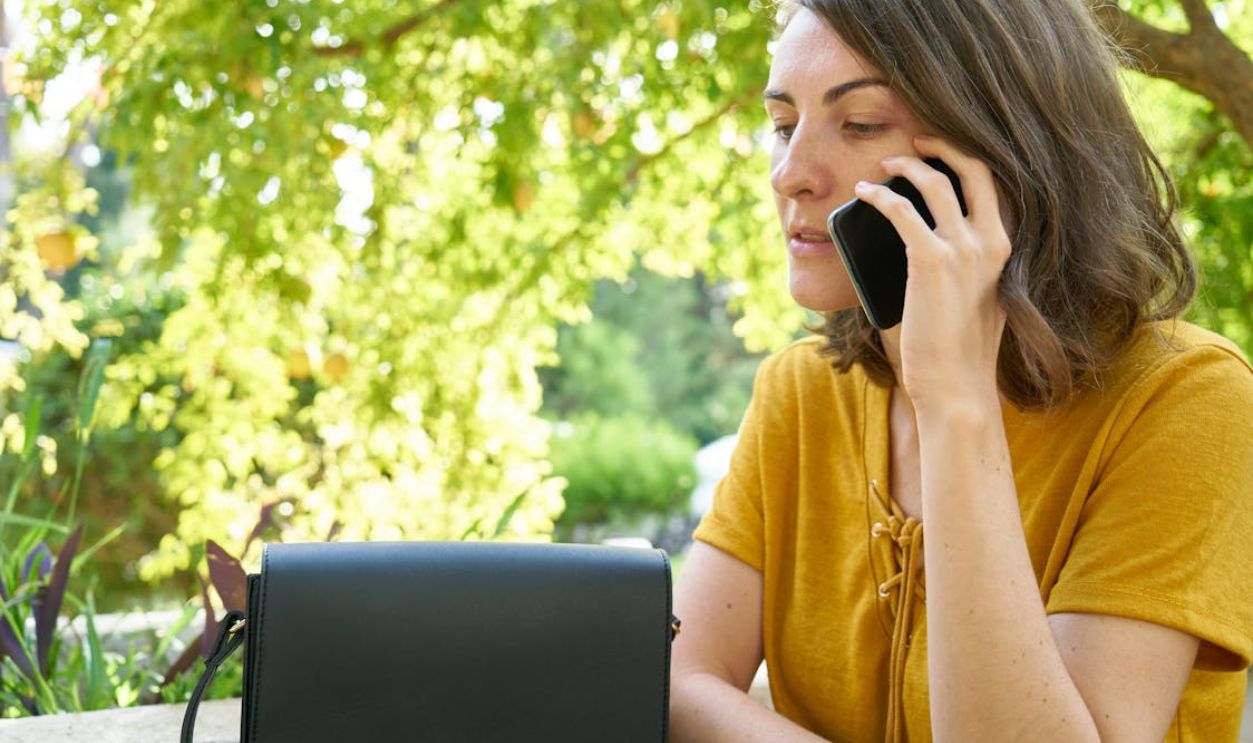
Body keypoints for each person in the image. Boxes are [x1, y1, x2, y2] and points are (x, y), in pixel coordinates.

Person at [668, 1, 1253, 741]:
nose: (790, 175)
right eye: (784, 125)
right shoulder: (801, 390)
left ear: (1002, 152)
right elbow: (675, 678)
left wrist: (953, 403)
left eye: (860, 124)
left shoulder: (1188, 398)